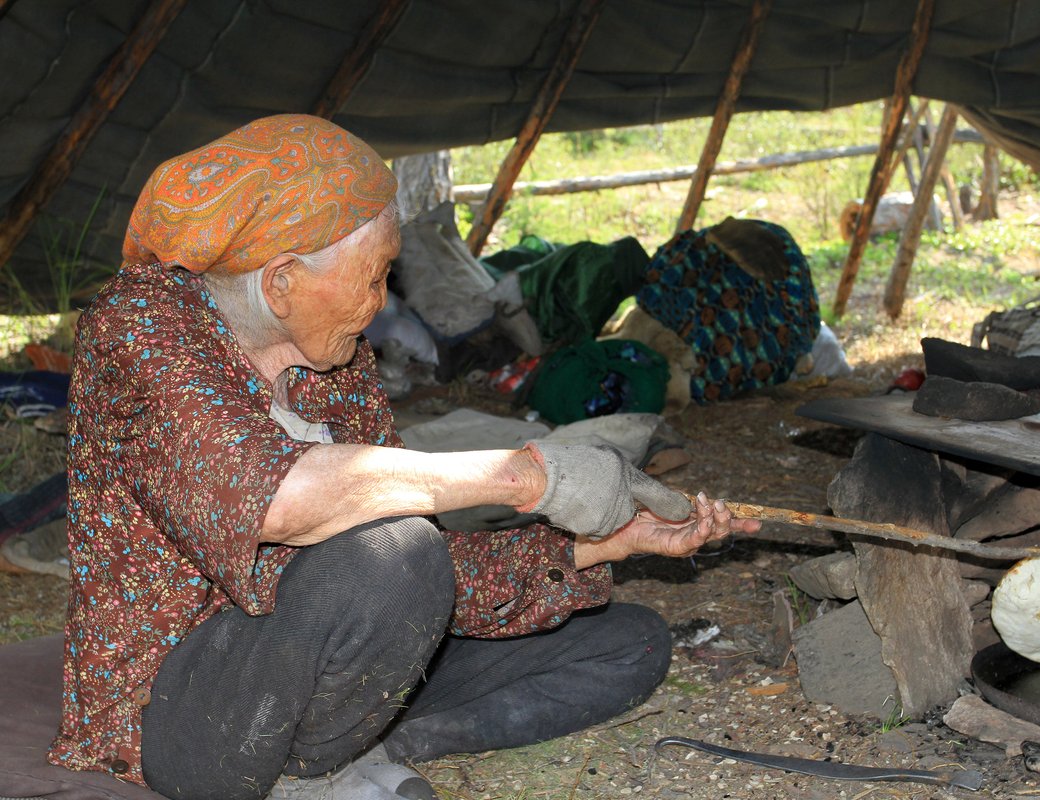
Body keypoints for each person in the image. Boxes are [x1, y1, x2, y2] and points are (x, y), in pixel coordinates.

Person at [50, 114, 760, 800]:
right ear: (281, 283)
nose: (382, 301)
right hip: (184, 709)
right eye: (374, 276)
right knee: (396, 553)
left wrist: (598, 546)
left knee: (626, 642)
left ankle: (353, 751)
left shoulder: (338, 362)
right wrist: (526, 477)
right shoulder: (140, 325)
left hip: (335, 659)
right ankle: (311, 767)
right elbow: (278, 503)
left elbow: (425, 571)